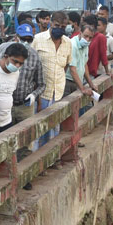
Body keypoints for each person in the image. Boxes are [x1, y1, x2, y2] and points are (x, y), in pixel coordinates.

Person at [33, 11, 78, 146]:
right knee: (41, 129)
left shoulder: (68, 43)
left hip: (58, 92)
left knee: (56, 128)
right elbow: (32, 68)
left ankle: (55, 160)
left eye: (63, 27)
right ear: (51, 23)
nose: (60, 29)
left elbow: (66, 66)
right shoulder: (38, 39)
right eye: (57, 25)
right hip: (42, 94)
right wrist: (38, 97)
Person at [0, 23, 45, 127]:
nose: (25, 42)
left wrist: (34, 95)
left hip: (24, 106)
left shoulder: (34, 56)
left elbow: (41, 84)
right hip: (4, 107)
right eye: (23, 38)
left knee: (27, 138)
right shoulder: (3, 48)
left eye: (29, 40)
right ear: (16, 37)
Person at [0, 43, 28, 137]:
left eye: (21, 63)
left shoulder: (16, 73)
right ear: (6, 56)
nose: (17, 65)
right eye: (15, 61)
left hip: (6, 121)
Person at [66, 24, 97, 98]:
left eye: (90, 38)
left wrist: (90, 83)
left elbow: (84, 64)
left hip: (78, 80)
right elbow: (72, 70)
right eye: (85, 36)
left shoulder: (85, 45)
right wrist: (82, 88)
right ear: (80, 33)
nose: (87, 40)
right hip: (68, 81)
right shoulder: (73, 45)